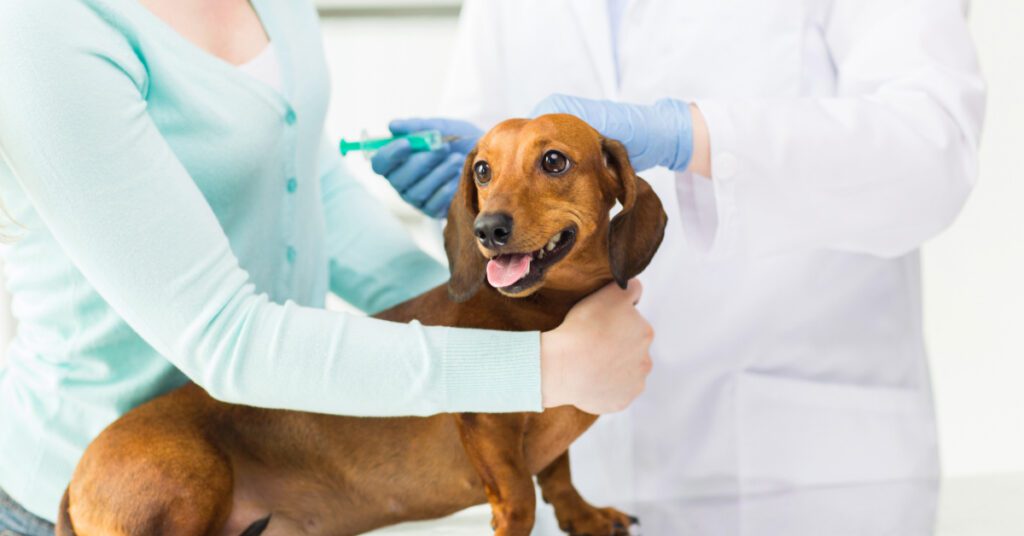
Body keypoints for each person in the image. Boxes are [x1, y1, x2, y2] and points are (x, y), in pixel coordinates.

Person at [0, 0, 655, 532]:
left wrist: (482, 294)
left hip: (286, 461)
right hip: (108, 479)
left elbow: (313, 190)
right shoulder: (46, 28)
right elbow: (225, 337)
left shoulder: (280, 8)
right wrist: (539, 368)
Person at [372, 0, 986, 525]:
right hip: (583, 456)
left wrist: (691, 135)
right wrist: (466, 193)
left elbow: (933, 150)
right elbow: (495, 195)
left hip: (799, 467)